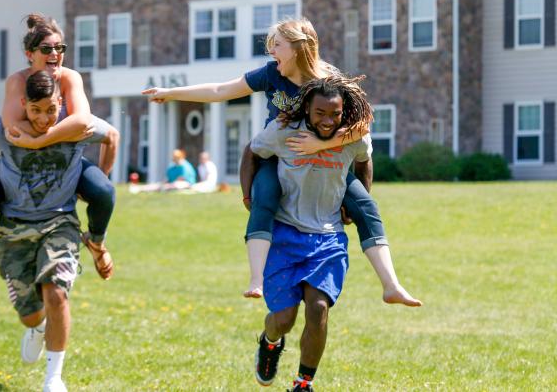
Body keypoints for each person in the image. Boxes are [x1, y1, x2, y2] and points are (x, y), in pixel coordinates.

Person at [143, 17, 418, 305]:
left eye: (277, 45)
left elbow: (361, 127)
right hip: (276, 158)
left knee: (365, 206)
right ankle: (256, 279)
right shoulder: (271, 74)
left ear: (298, 49)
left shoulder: (329, 81)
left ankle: (391, 285)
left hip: (324, 163)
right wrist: (170, 93)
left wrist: (320, 143)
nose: (271, 52)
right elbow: (220, 91)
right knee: (265, 196)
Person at [243, 75, 419, 392]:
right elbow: (252, 153)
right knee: (283, 319)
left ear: (344, 112)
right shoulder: (283, 132)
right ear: (307, 109)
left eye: (334, 114)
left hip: (328, 236)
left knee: (319, 309)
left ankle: (303, 383)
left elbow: (365, 162)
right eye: (320, 113)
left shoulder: (353, 138)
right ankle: (270, 343)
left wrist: (355, 201)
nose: (327, 121)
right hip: (285, 234)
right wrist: (248, 194)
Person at [0, 71, 117, 392]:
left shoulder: (74, 126)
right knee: (30, 315)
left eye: (50, 109)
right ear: (24, 104)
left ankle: (53, 378)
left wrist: (93, 179)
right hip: (14, 227)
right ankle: (37, 328)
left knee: (56, 293)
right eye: (35, 110)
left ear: (60, 103)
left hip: (60, 222)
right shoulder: (5, 129)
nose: (43, 118)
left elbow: (112, 136)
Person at [0, 14, 117, 299]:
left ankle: (96, 243)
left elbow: (83, 120)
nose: (55, 54)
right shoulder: (17, 82)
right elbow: (10, 128)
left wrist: (40, 141)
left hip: (65, 158)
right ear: (29, 54)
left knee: (104, 191)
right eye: (47, 49)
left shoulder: (70, 78)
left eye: (60, 48)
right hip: (11, 162)